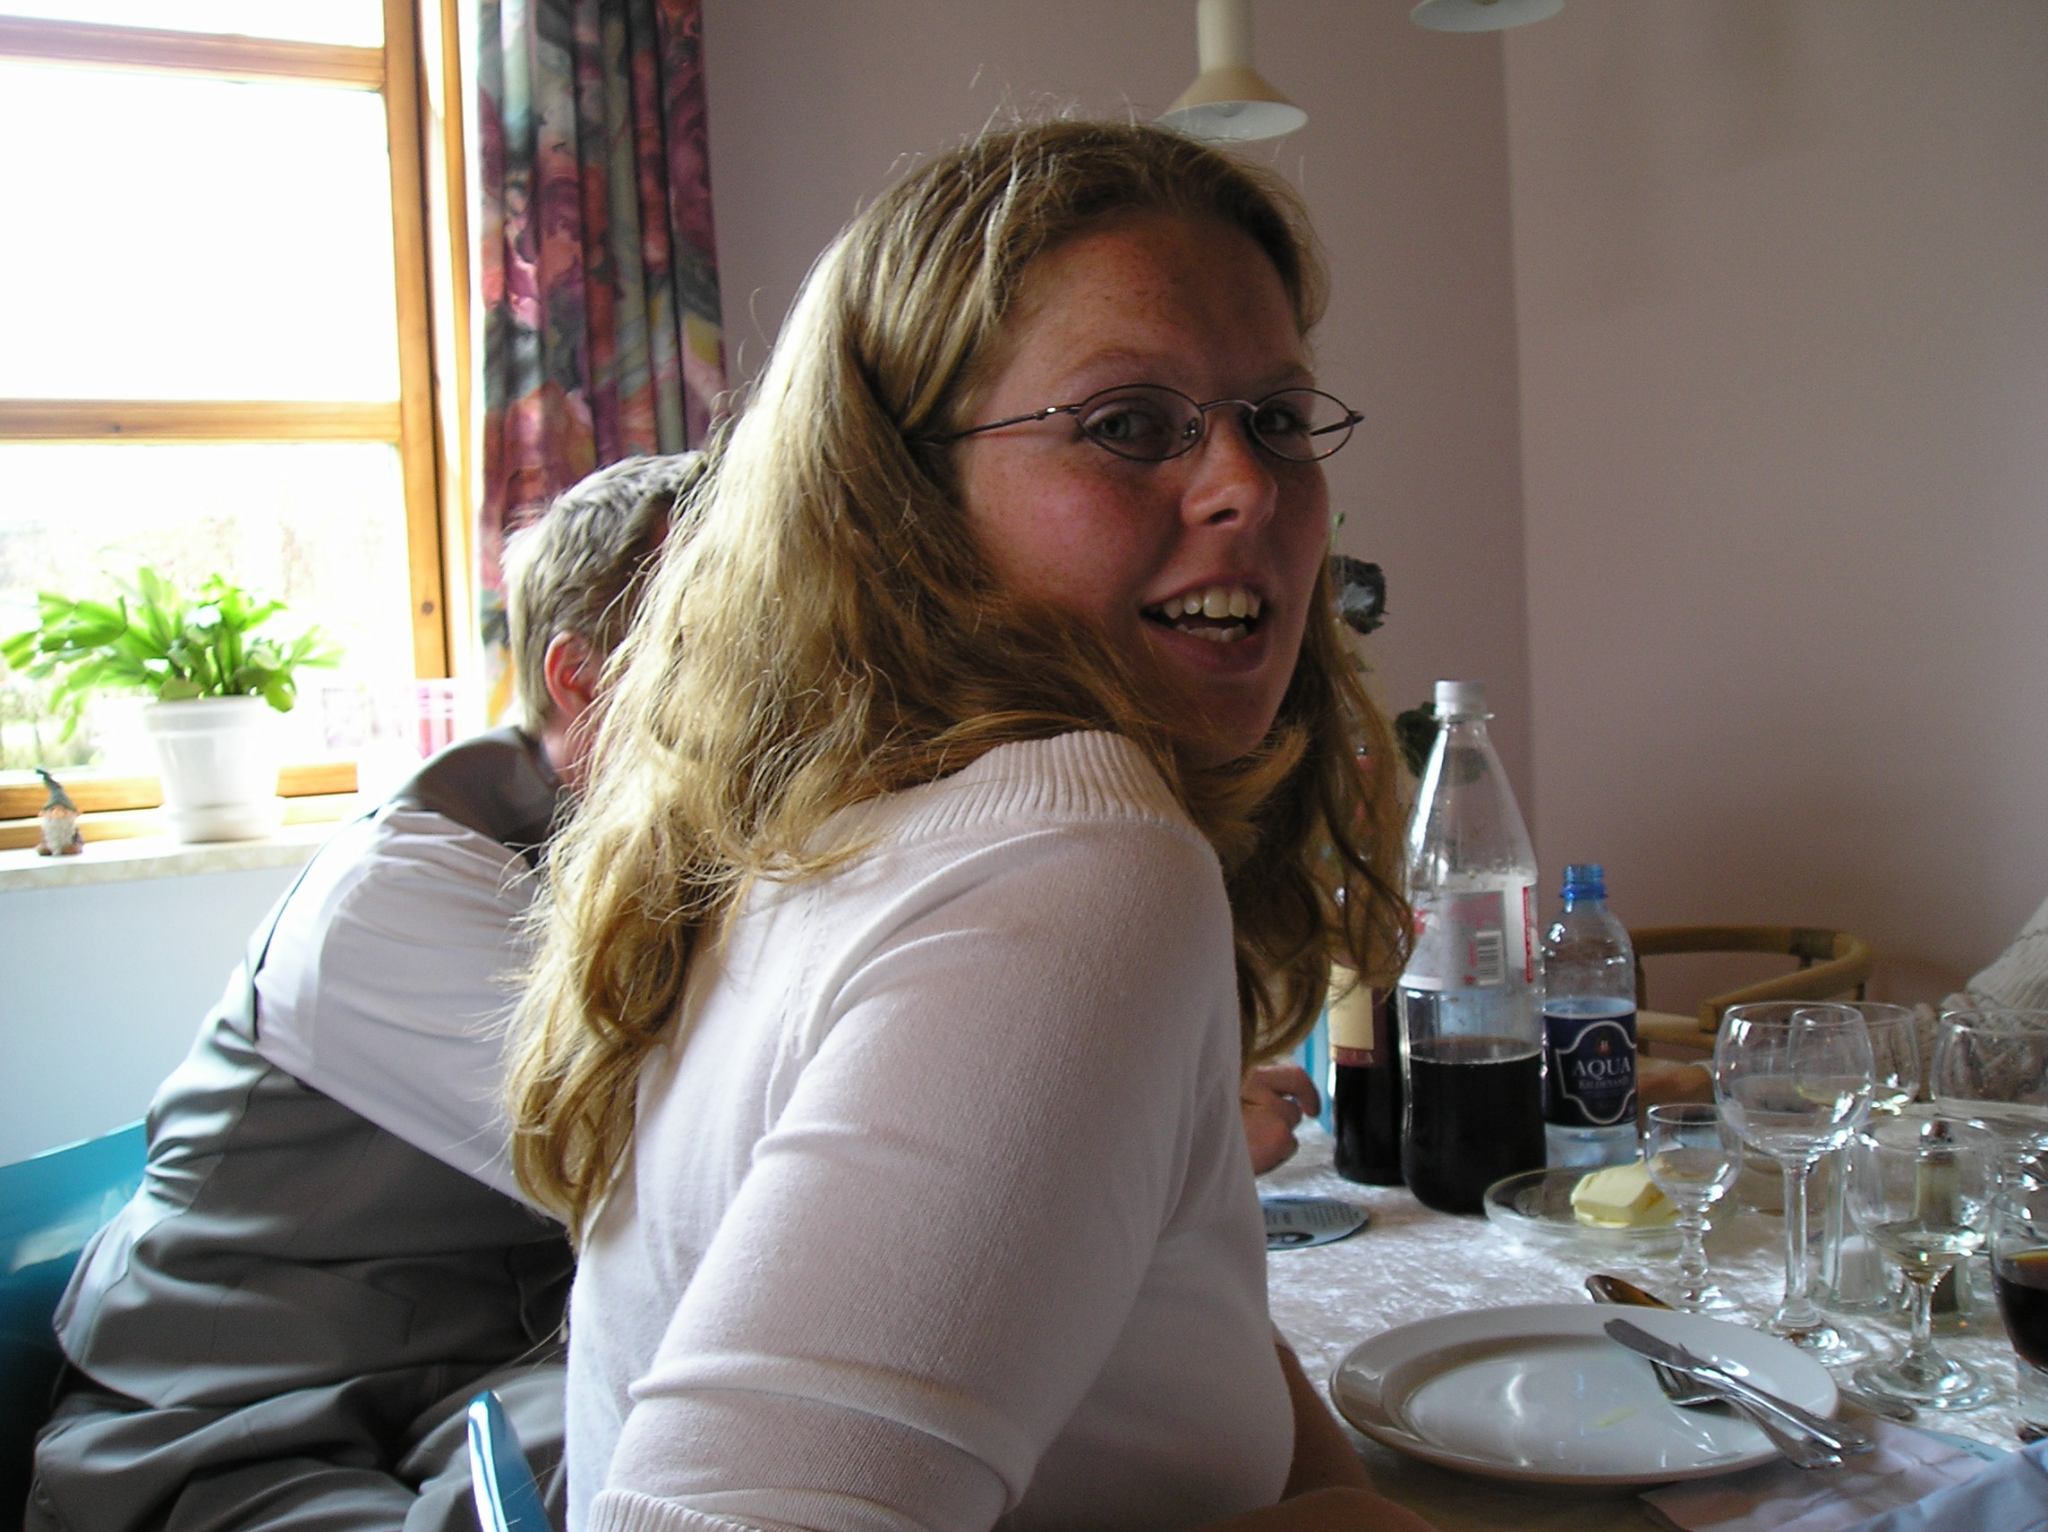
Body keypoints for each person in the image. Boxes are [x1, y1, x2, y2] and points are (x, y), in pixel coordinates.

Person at [509, 119, 1430, 1532]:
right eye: (1127, 424)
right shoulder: (1077, 859)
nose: (1247, 483)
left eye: (1278, 419)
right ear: (902, 495)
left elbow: (1165, 1310)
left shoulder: (823, 825)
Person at [26, 451, 708, 1532]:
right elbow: (686, 1183)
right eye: (725, 637)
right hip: (235, 1410)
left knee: (704, 1465)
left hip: (469, 1376)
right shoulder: (404, 890)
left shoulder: (653, 852)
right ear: (581, 677)